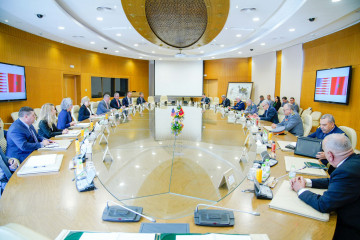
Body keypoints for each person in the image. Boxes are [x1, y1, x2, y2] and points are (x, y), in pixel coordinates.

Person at [290, 134, 360, 239]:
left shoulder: (345, 171)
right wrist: (307, 182)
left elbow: (324, 205)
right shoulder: (353, 161)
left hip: (351, 228)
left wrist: (300, 189)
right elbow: (335, 180)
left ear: (330, 155)